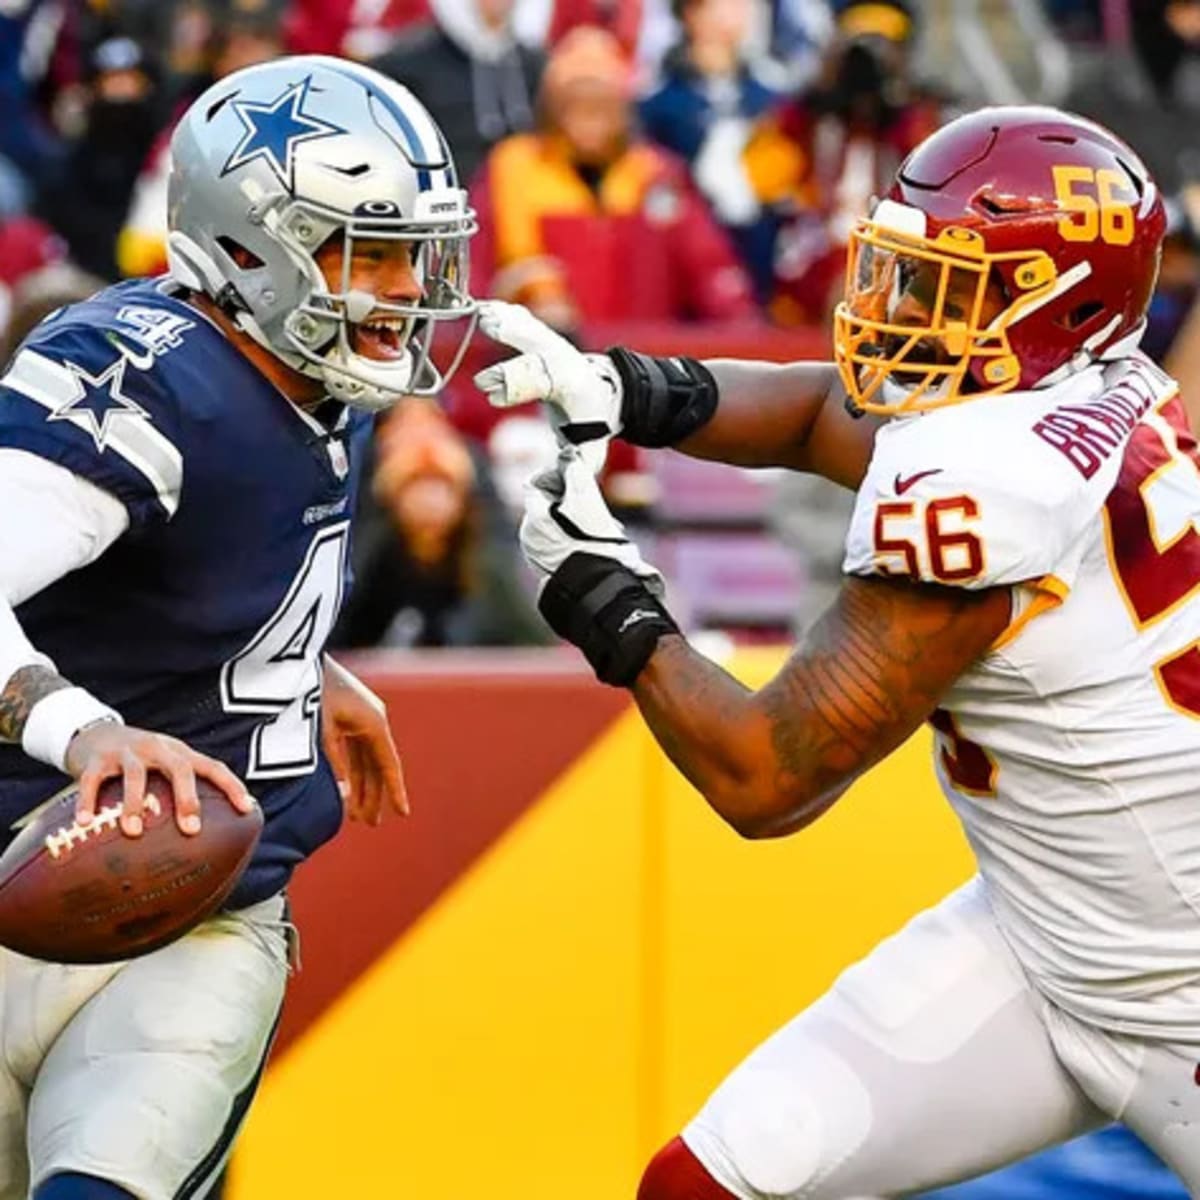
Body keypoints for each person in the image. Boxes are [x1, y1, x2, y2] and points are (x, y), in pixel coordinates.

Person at [476, 104, 1200, 1196]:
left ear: (1055, 300)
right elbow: (830, 411)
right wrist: (626, 386)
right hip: (1046, 934)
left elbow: (767, 779)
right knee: (706, 1186)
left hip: (1177, 985)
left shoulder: (994, 488)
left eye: (941, 285)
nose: (895, 307)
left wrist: (601, 595)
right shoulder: (1080, 390)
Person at [0, 53, 475, 1199]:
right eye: (369, 255)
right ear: (252, 248)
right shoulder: (148, 378)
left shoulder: (307, 375)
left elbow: (200, 561)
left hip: (206, 917)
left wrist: (293, 664)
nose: (405, 293)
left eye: (415, 255)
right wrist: (77, 730)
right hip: (23, 865)